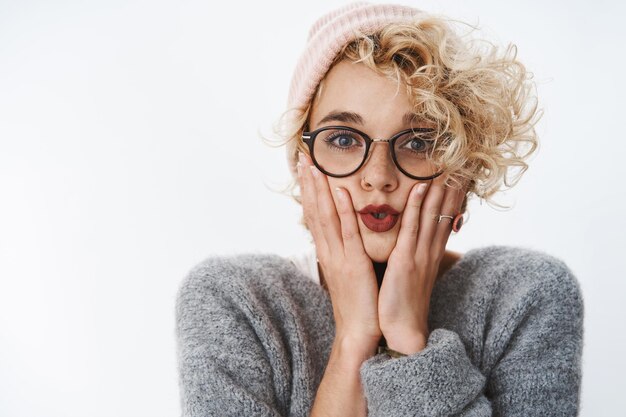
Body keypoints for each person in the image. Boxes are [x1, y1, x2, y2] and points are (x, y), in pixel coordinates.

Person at [175, 2, 584, 416]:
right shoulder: (235, 299)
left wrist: (409, 338)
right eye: (343, 139)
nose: (378, 177)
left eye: (418, 142)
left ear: (463, 166)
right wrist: (354, 338)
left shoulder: (525, 295)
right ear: (304, 162)